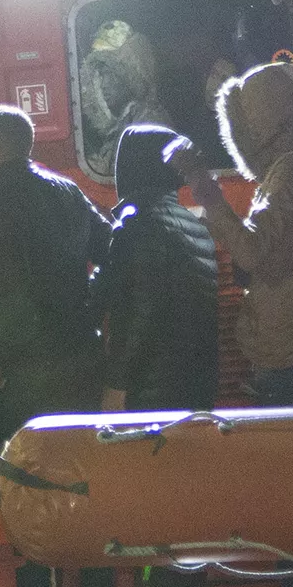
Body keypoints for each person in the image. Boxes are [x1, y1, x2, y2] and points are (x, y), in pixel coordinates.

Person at [181, 61, 293, 409]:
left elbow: (252, 252)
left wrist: (203, 185)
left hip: (287, 339)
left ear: (265, 116)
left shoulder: (291, 168)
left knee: (290, 447)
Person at [0, 103, 108, 438]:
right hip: (78, 348)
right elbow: (110, 250)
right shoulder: (69, 190)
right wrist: (89, 308)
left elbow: (3, 281)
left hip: (27, 365)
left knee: (26, 462)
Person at [95, 124, 219, 412]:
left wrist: (117, 385)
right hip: (192, 385)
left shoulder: (139, 225)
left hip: (149, 391)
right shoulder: (194, 226)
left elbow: (140, 313)